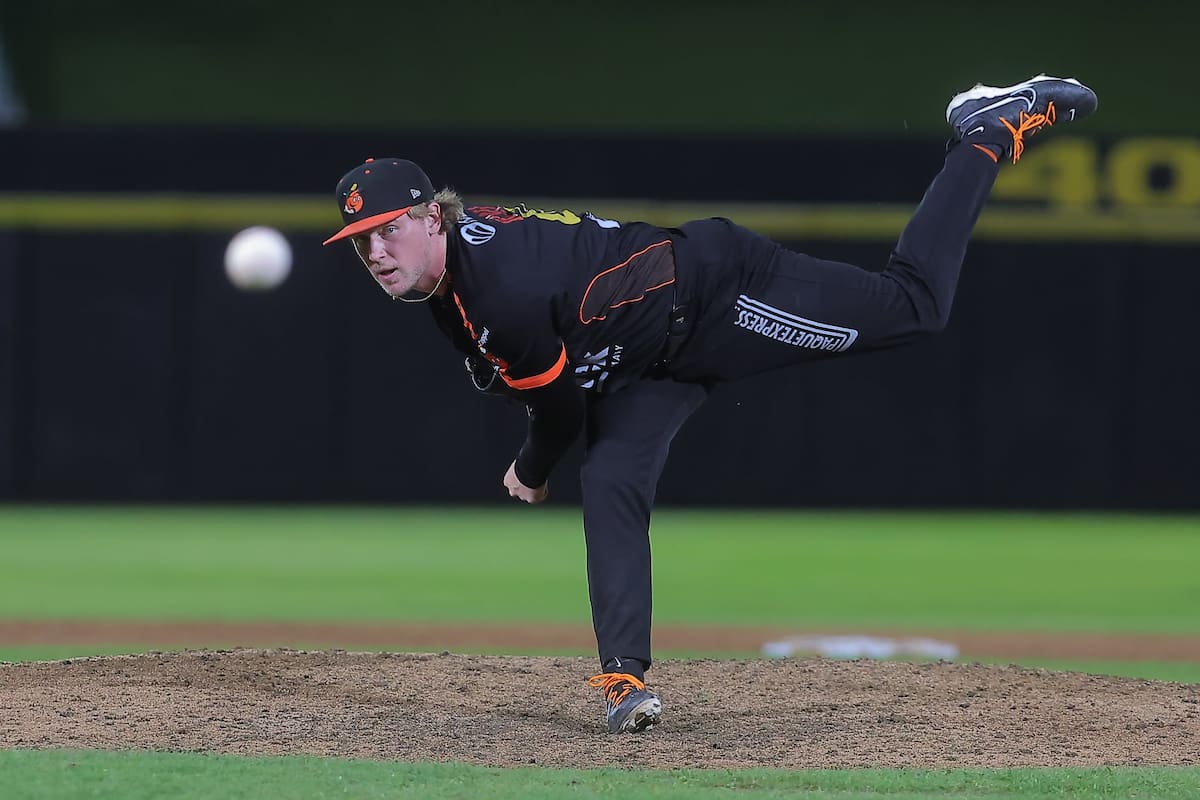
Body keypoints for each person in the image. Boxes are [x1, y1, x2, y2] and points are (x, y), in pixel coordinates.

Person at [322, 75, 1097, 733]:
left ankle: (986, 129)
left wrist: (530, 466)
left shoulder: (502, 294)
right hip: (651, 357)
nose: (376, 253)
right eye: (362, 242)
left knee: (915, 306)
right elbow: (526, 360)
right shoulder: (447, 281)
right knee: (614, 478)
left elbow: (556, 412)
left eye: (387, 231)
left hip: (721, 296)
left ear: (431, 216)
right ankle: (623, 682)